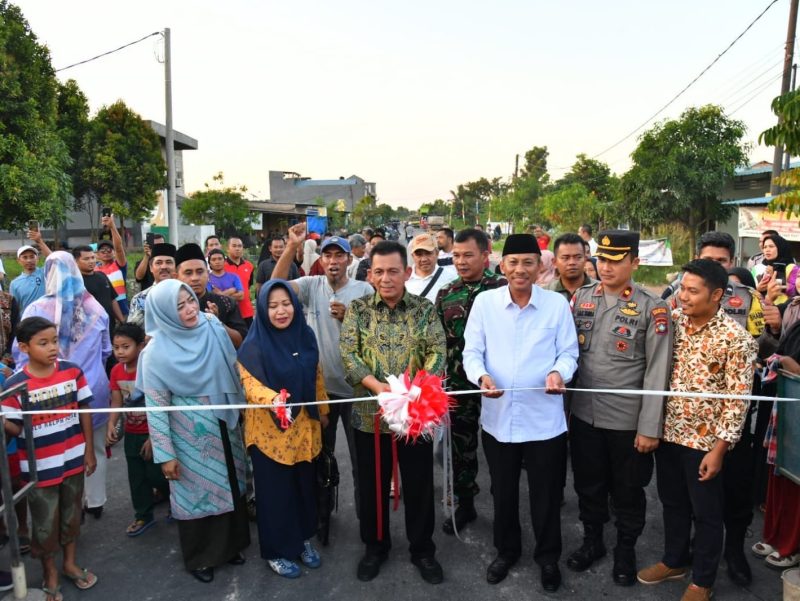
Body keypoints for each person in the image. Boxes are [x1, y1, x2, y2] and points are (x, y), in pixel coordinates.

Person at [463, 233, 578, 593]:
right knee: (503, 492)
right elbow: (472, 352)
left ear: (540, 266)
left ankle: (548, 558)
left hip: (544, 421)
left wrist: (559, 372)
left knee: (546, 495)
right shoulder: (485, 303)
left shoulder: (556, 305)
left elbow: (569, 352)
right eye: (513, 262)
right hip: (498, 419)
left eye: (528, 262)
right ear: (502, 266)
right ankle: (506, 550)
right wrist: (481, 377)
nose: (520, 269)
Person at [637, 259, 757, 601]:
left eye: (693, 291)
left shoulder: (736, 340)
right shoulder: (672, 322)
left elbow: (736, 403)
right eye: (682, 289)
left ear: (716, 295)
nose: (683, 297)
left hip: (704, 444)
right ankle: (674, 561)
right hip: (668, 434)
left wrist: (719, 450)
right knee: (672, 502)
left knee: (707, 514)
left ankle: (703, 580)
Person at [567, 230, 673, 586]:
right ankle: (592, 540)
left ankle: (625, 548)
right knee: (588, 485)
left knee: (628, 490)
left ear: (635, 262)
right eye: (602, 259)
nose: (606, 267)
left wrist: (649, 427)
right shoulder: (582, 298)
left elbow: (658, 371)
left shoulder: (652, 307)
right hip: (584, 414)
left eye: (616, 260)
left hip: (627, 421)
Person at [340, 240, 446, 584]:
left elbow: (438, 350)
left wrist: (418, 388)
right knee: (371, 486)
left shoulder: (424, 310)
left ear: (407, 272)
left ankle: (423, 549)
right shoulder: (358, 310)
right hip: (369, 416)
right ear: (370, 275)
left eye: (393, 271)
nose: (386, 278)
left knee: (419, 484)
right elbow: (349, 354)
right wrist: (377, 387)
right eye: (379, 272)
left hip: (415, 415)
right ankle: (375, 547)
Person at [138, 279, 250, 583]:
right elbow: (156, 408)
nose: (190, 309)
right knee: (198, 491)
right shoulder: (155, 354)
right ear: (163, 312)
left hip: (225, 421)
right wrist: (165, 455)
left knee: (231, 481)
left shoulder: (211, 325)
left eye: (190, 301)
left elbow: (233, 366)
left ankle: (232, 546)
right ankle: (202, 557)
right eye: (179, 306)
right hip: (190, 434)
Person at [272, 225, 373, 534]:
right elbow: (274, 287)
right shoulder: (311, 285)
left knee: (362, 460)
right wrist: (292, 247)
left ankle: (368, 521)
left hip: (358, 390)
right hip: (321, 391)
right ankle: (321, 514)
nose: (333, 261)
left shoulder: (364, 291)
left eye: (339, 256)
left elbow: (378, 336)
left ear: (349, 260)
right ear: (321, 260)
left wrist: (350, 318)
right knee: (320, 456)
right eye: (327, 255)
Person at [2, 316, 98, 600]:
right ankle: (50, 572)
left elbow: (84, 411)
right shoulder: (15, 385)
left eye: (54, 341)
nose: (52, 347)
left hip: (73, 459)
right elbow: (15, 428)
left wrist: (88, 451)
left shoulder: (72, 372)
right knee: (45, 524)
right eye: (43, 343)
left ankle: (69, 563)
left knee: (71, 516)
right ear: (24, 347)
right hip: (39, 469)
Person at [238, 280, 329, 578]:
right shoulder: (253, 345)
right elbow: (250, 386)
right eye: (273, 306)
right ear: (262, 310)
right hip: (270, 435)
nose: (281, 311)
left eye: (286, 304)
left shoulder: (305, 335)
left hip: (304, 431)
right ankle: (276, 551)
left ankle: (302, 540)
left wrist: (323, 411)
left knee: (303, 489)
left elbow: (316, 375)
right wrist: (274, 400)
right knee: (275, 496)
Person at [13, 252, 112, 522]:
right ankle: (95, 500)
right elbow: (106, 350)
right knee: (96, 446)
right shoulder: (95, 308)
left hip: (51, 391)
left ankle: (69, 506)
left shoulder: (36, 310)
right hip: (93, 386)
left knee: (61, 447)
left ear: (48, 273)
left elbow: (21, 355)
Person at [435, 228, 506, 535]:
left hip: (497, 383)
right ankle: (466, 504)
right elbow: (437, 340)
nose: (461, 262)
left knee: (500, 447)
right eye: (456, 256)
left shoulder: (502, 288)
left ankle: (504, 504)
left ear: (485, 255)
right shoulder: (446, 292)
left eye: (468, 255)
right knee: (461, 447)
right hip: (458, 384)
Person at [106, 323, 170, 537]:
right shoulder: (116, 371)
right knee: (136, 476)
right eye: (116, 347)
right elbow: (116, 401)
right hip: (132, 432)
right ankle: (143, 514)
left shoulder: (150, 369)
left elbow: (161, 404)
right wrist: (111, 424)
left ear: (141, 346)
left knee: (158, 473)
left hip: (154, 431)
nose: (120, 352)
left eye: (126, 347)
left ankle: (174, 501)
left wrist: (154, 436)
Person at [175, 244, 248, 348]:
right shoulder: (171, 306)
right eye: (188, 273)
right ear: (176, 276)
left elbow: (241, 341)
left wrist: (216, 322)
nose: (195, 278)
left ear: (208, 274)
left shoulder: (226, 303)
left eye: (200, 272)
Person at [72, 246, 125, 327]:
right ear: (75, 261)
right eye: (86, 259)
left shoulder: (102, 276)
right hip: (89, 328)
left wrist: (122, 321)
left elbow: (112, 300)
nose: (91, 261)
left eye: (93, 258)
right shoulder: (75, 282)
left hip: (109, 326)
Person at [127, 243, 177, 329]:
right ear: (151, 268)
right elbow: (133, 331)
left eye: (168, 262)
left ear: (175, 266)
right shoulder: (140, 299)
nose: (164, 266)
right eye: (158, 263)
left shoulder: (185, 295)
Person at [406, 234, 457, 303]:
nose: (424, 259)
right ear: (413, 256)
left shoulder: (451, 277)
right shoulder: (403, 279)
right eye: (419, 254)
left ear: (437, 253)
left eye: (428, 253)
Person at [96, 213, 129, 316]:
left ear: (114, 253)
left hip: (122, 312)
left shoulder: (119, 265)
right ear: (97, 254)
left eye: (109, 250)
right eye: (102, 250)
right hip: (102, 314)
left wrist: (112, 227)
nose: (106, 252)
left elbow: (118, 248)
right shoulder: (94, 270)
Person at [546, 233, 594, 300]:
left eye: (578, 257)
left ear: (585, 260)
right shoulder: (545, 293)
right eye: (565, 258)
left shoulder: (601, 290)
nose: (572, 262)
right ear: (554, 262)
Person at [223, 237, 254, 326]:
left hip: (247, 311)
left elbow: (248, 285)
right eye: (234, 246)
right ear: (228, 249)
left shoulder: (249, 266)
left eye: (240, 246)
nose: (237, 248)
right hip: (229, 311)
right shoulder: (222, 266)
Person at [10, 244, 45, 314]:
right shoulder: (15, 283)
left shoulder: (45, 273)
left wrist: (40, 242)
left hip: (46, 317)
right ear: (19, 261)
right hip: (26, 319)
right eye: (25, 257)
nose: (29, 260)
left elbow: (56, 261)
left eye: (32, 257)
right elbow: (15, 307)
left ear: (37, 259)